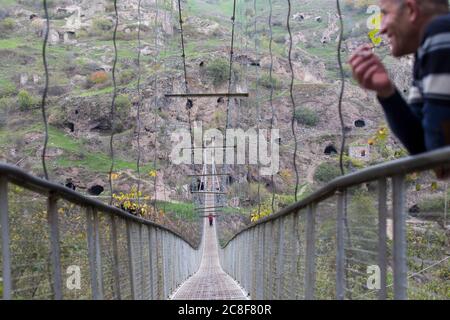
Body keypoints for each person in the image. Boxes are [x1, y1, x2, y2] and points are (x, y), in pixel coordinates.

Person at [349, 0, 450, 178]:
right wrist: (387, 92)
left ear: (411, 10)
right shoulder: (425, 52)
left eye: (385, 14)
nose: (382, 28)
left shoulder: (440, 31)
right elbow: (422, 150)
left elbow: (440, 160)